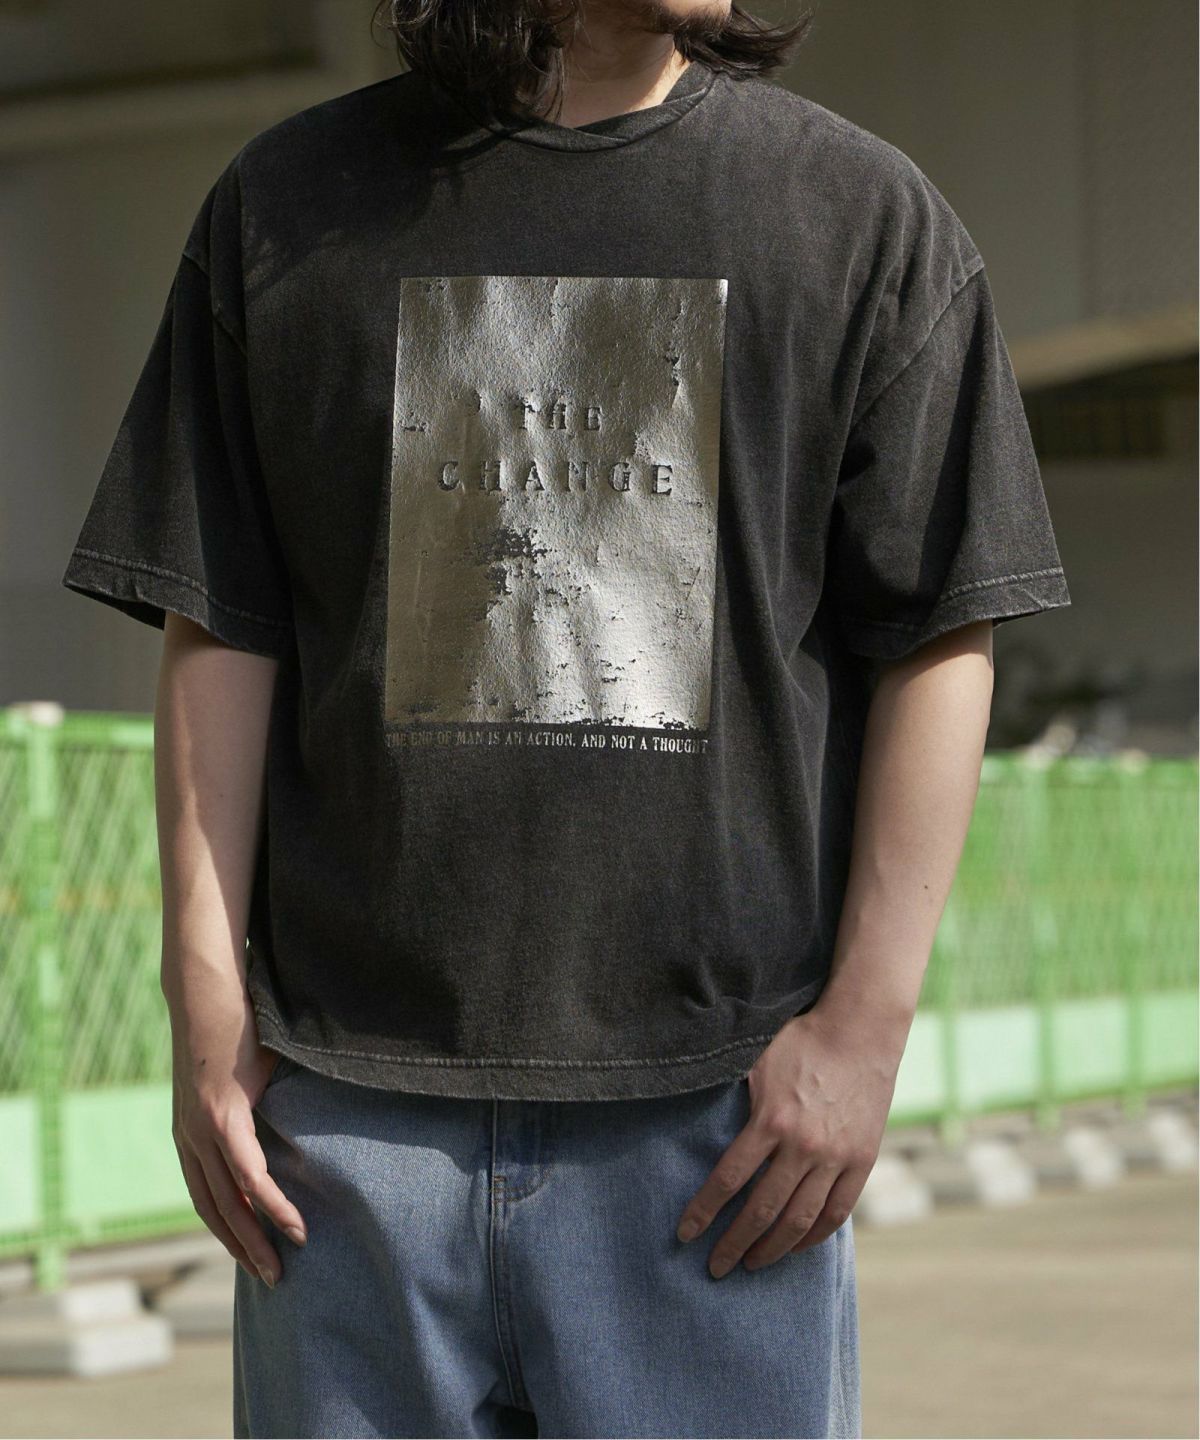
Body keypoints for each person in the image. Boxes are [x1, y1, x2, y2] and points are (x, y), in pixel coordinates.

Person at [61, 1, 1071, 1435]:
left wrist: (864, 1032)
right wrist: (207, 1007)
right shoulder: (290, 209)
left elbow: (941, 634)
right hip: (345, 1123)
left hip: (719, 1133)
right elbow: (224, 622)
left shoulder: (856, 216)